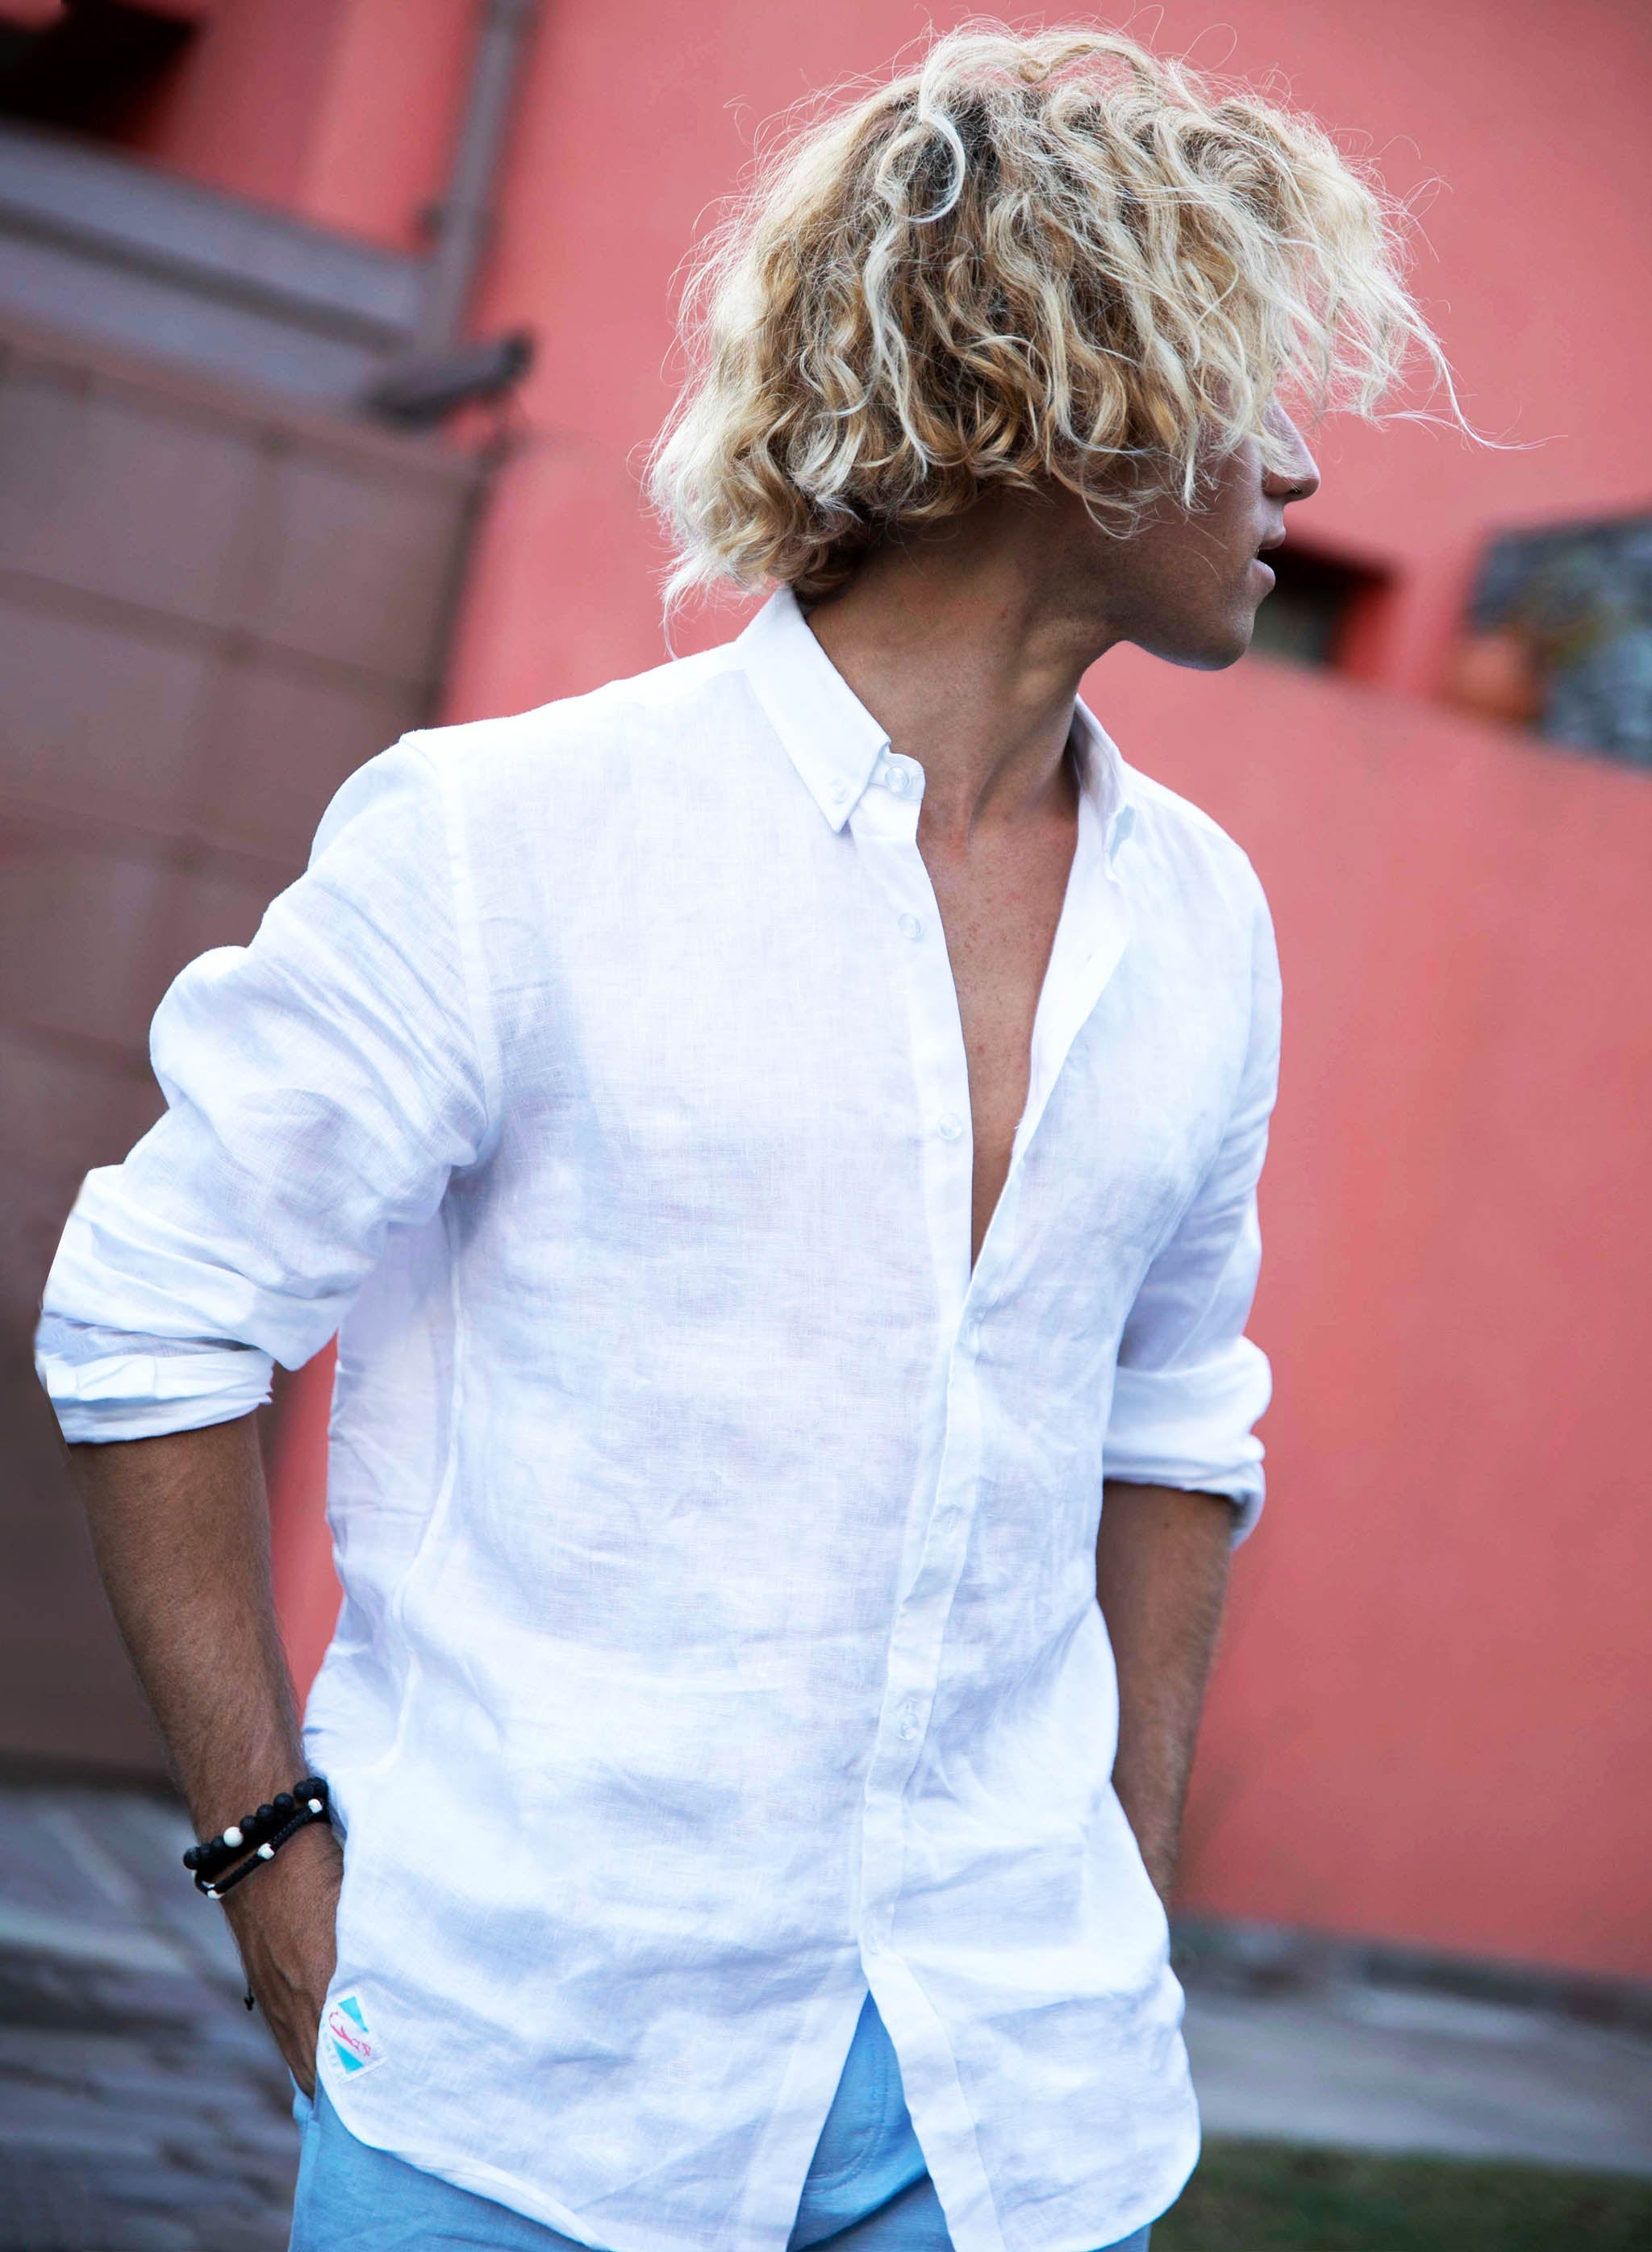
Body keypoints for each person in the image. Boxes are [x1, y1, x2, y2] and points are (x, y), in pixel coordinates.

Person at [35, 25, 1453, 2252]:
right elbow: (151, 1325)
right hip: (519, 2087)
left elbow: (1174, 1429)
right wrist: (264, 1869)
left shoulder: (1207, 925)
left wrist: (1117, 1892)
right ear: (1058, 377)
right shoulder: (510, 840)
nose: (1292, 467)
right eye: (1247, 381)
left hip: (1007, 2112)